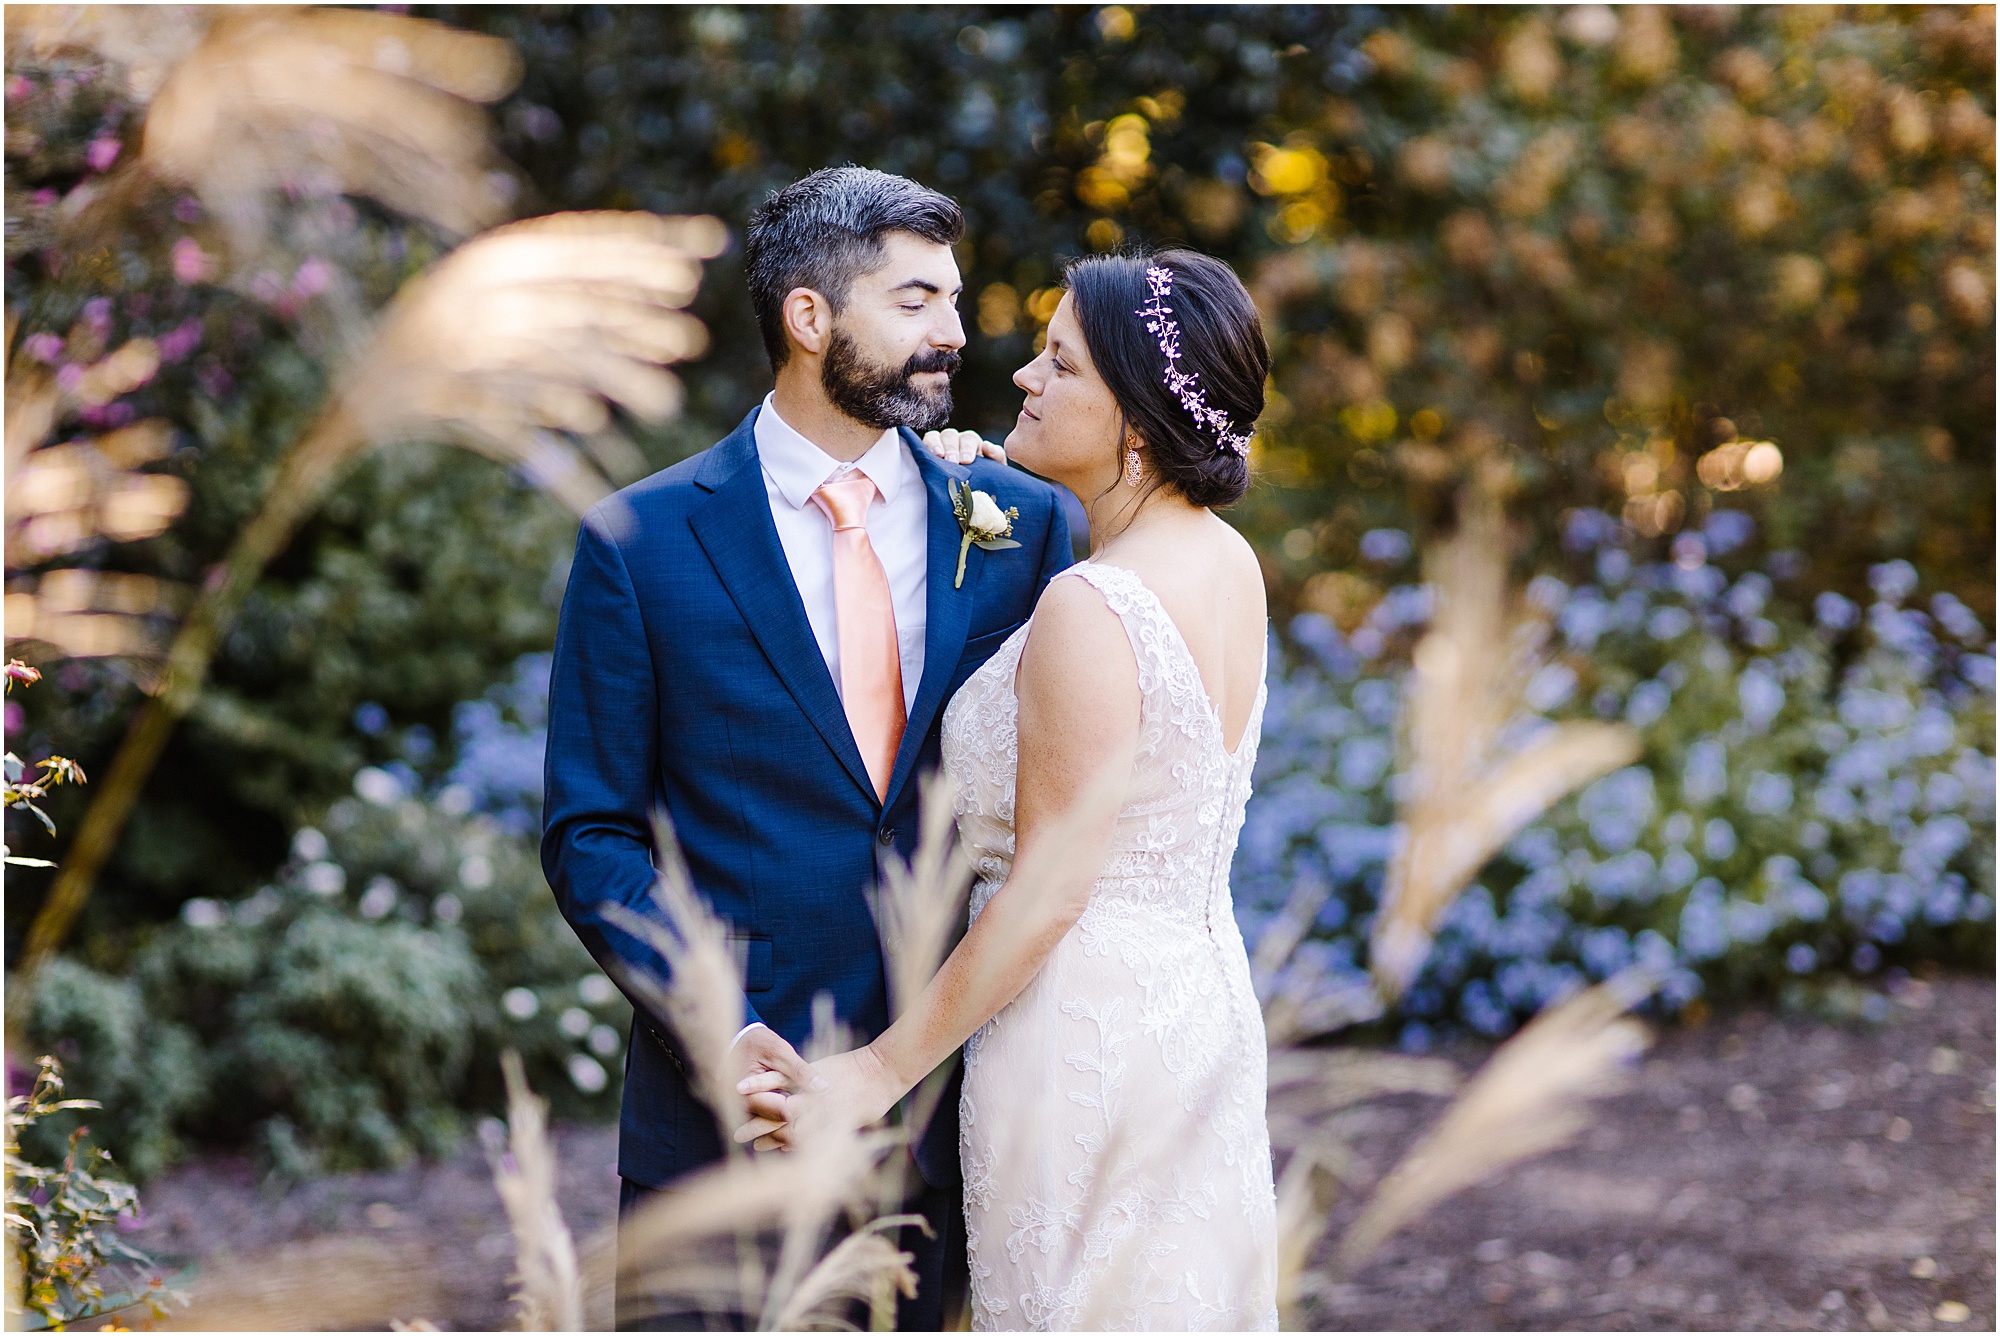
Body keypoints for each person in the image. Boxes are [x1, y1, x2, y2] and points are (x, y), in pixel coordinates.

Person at [540, 165, 1072, 1330]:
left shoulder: (1024, 526)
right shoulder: (639, 541)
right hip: (722, 1132)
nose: (952, 333)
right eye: (916, 300)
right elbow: (593, 833)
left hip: (942, 1118)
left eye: (952, 298)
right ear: (809, 317)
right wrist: (715, 1029)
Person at [741, 249, 1279, 1331]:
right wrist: (946, 497)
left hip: (1076, 1040)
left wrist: (875, 1072)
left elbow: (1048, 890)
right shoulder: (1223, 560)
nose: (1025, 379)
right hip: (1193, 1009)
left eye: (1060, 364)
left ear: (1135, 421)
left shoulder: (1094, 604)